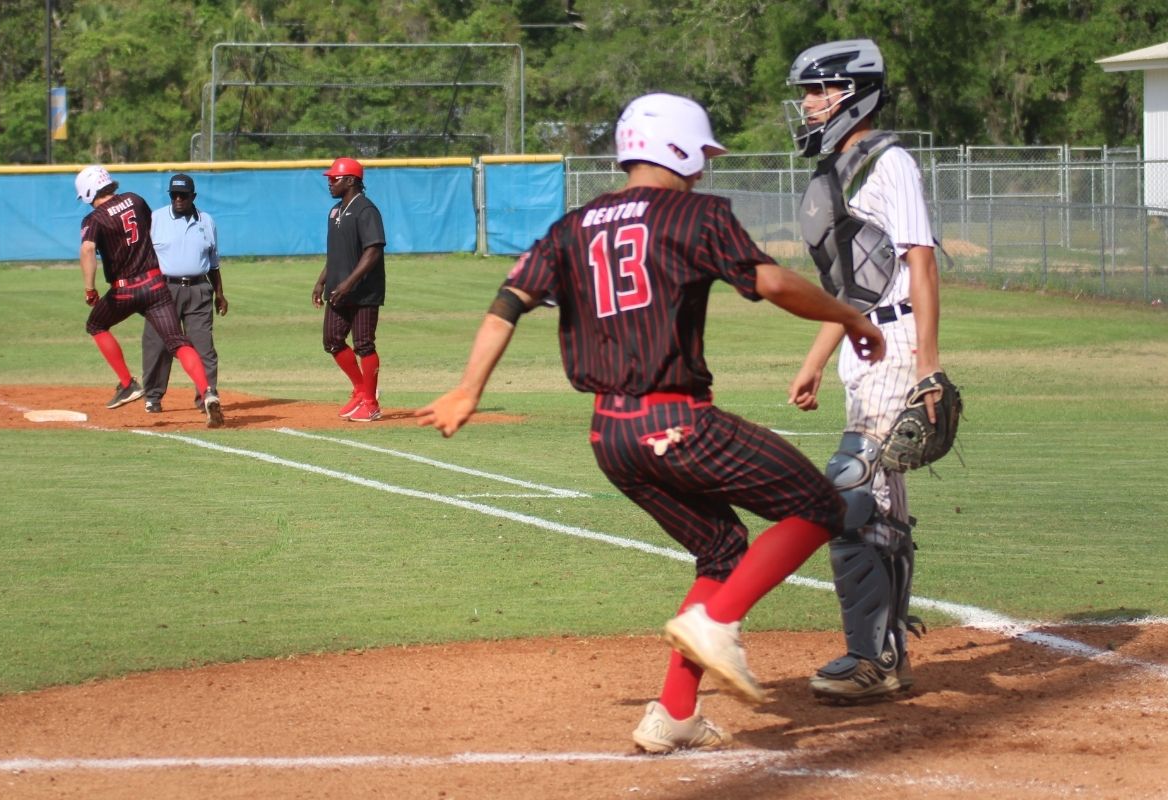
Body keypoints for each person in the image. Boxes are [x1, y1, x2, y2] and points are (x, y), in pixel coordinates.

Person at [416, 93, 885, 753]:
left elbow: (506, 303)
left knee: (722, 549)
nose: (703, 170)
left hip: (611, 436)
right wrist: (851, 317)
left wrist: (468, 390)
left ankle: (674, 713)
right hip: (677, 422)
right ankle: (718, 621)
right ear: (681, 149)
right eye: (701, 155)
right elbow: (773, 284)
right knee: (817, 503)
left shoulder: (571, 227)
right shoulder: (697, 215)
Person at [783, 39, 942, 701]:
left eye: (821, 90)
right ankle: (890, 654)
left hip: (898, 343)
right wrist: (816, 360)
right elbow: (855, 288)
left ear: (854, 93)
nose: (809, 103)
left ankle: (868, 657)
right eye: (808, 93)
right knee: (878, 507)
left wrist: (929, 370)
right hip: (864, 346)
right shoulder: (845, 168)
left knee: (848, 490)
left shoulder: (889, 162)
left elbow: (921, 263)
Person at [75, 165, 223, 428]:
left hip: (125, 289)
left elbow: (88, 250)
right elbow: (143, 228)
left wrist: (90, 288)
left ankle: (127, 384)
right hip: (156, 285)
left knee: (96, 325)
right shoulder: (135, 199)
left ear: (88, 192)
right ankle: (207, 391)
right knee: (178, 342)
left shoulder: (94, 219)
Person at [141, 173, 227, 415]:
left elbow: (214, 263)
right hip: (163, 290)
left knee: (204, 346)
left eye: (183, 195)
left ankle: (207, 396)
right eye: (174, 195)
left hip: (199, 290)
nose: (178, 199)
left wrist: (220, 293)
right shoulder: (155, 219)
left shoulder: (207, 221)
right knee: (157, 344)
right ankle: (153, 396)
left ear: (193, 196)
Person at [312, 157, 385, 422]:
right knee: (332, 341)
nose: (330, 182)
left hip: (364, 292)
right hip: (338, 289)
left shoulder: (366, 210)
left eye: (335, 178)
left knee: (364, 345)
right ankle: (360, 389)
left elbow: (374, 250)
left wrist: (349, 283)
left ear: (351, 180)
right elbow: (337, 253)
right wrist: (322, 280)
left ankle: (371, 402)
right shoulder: (335, 212)